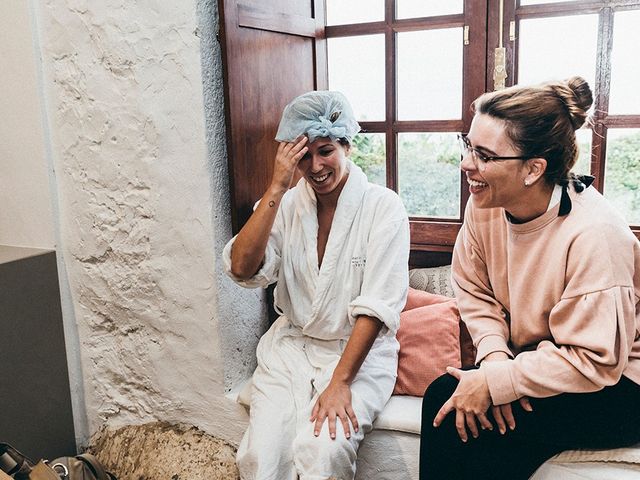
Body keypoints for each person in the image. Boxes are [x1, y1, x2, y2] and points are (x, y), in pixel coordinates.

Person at [419, 76, 640, 479]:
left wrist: (501, 382)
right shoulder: (484, 205)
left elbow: (596, 361)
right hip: (542, 358)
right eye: (467, 145)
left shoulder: (596, 235)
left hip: (619, 382)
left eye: (484, 155)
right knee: (451, 401)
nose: (466, 164)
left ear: (534, 169)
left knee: (474, 421)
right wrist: (494, 359)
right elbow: (473, 288)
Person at [223, 90, 410, 480]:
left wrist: (341, 382)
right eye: (304, 155)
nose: (315, 166)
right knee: (261, 456)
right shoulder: (288, 204)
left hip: (356, 354)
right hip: (292, 348)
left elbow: (377, 305)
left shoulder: (383, 207)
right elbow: (242, 268)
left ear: (346, 143)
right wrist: (276, 187)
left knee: (322, 450)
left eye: (325, 151)